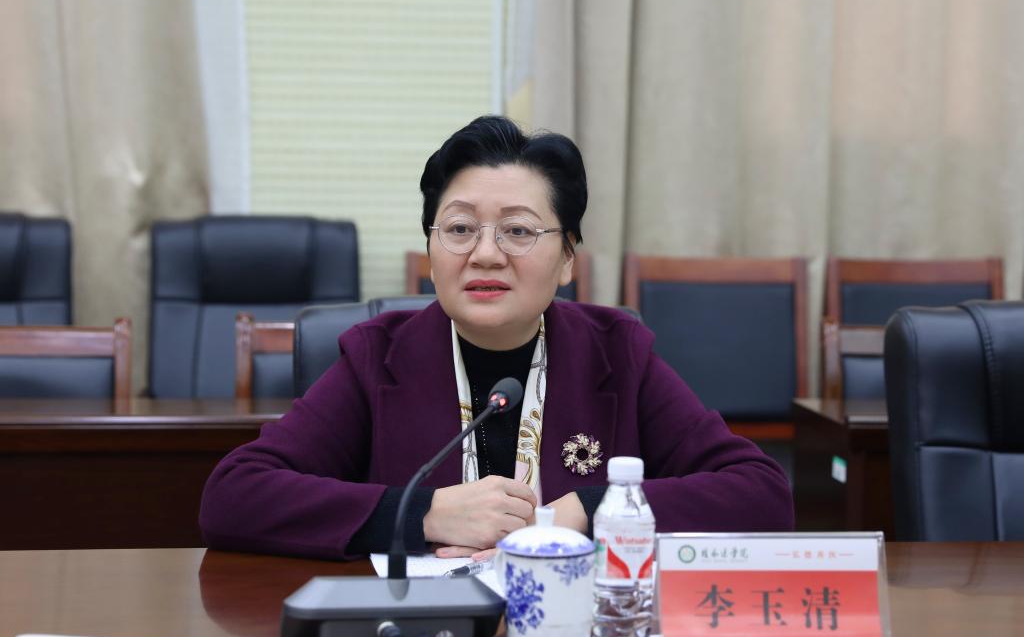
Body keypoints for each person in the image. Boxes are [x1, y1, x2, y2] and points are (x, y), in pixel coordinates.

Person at [199, 116, 794, 561]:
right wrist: (422, 513)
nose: (485, 254)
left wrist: (588, 510)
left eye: (517, 230)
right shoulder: (377, 357)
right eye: (459, 228)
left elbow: (763, 495)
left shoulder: (618, 353)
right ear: (431, 250)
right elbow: (233, 496)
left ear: (567, 258)